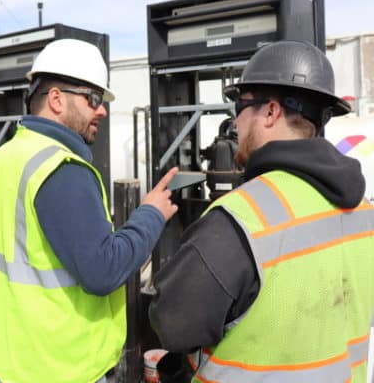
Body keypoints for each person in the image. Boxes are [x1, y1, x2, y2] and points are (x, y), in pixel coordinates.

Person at [149, 40, 374, 383]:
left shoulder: (239, 220)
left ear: (270, 112)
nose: (235, 123)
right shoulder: (363, 211)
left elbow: (172, 325)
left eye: (239, 106)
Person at [0, 38, 178, 383]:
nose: (103, 110)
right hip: (54, 367)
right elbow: (102, 271)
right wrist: (151, 215)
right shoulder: (61, 168)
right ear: (56, 99)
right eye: (93, 98)